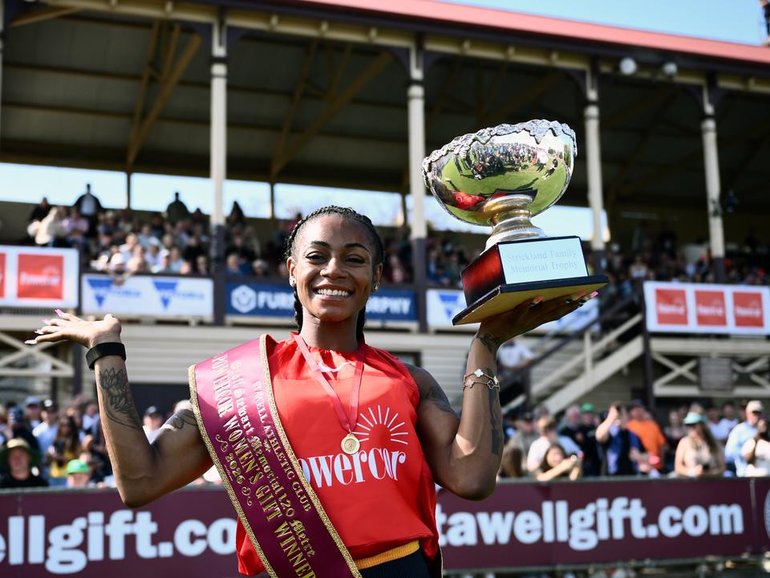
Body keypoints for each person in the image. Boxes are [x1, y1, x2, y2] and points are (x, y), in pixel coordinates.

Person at [25, 205, 585, 577]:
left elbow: (472, 478)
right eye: (317, 257)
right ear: (291, 270)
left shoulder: (410, 379)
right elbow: (140, 481)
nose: (333, 270)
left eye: (354, 259)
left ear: (376, 277)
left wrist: (485, 347)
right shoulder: (233, 382)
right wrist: (107, 355)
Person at [673, 412, 725, 478]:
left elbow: (722, 468)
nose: (691, 428)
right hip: (690, 484)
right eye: (688, 425)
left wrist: (707, 474)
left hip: (712, 484)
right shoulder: (684, 442)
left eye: (693, 425)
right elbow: (678, 467)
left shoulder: (715, 443)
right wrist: (691, 472)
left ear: (702, 425)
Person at [725, 400, 764, 476]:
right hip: (745, 474)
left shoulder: (767, 430)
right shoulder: (739, 430)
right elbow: (729, 451)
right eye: (754, 413)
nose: (757, 416)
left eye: (759, 413)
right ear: (747, 413)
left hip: (765, 474)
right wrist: (745, 453)